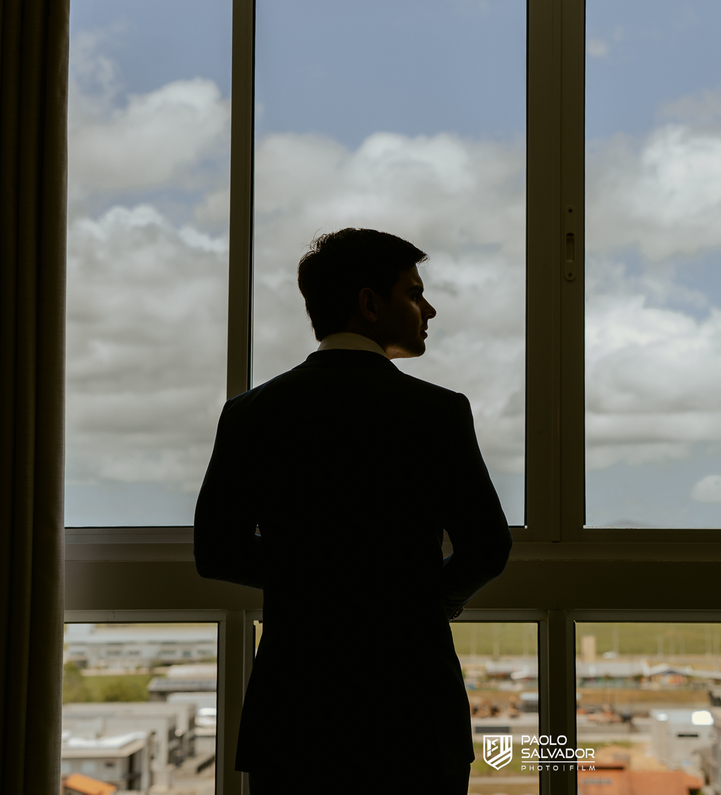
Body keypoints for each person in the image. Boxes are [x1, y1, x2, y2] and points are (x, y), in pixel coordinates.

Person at [193, 228, 512, 794]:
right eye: (414, 293)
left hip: (294, 710)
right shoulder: (437, 412)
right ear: (369, 303)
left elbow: (218, 551)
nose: (428, 307)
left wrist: (310, 578)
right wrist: (422, 597)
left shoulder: (249, 413)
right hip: (412, 705)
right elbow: (488, 546)